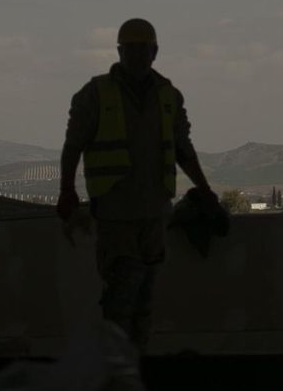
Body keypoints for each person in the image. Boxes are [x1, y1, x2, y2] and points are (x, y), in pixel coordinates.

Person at [56, 17, 217, 353]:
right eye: (131, 49)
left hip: (154, 214)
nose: (138, 55)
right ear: (119, 52)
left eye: (143, 48)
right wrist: (67, 190)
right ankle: (117, 369)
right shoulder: (96, 94)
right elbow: (73, 145)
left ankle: (133, 365)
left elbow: (182, 149)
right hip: (116, 215)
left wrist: (205, 190)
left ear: (154, 51)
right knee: (121, 297)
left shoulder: (168, 96)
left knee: (144, 299)